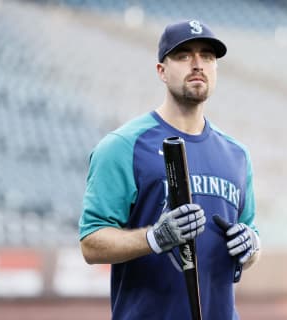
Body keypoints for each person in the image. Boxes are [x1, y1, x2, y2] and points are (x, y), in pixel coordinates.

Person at [79, 20, 261, 320]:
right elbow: (91, 243)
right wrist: (155, 238)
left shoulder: (237, 155)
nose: (198, 64)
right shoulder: (123, 146)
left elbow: (251, 237)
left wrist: (251, 245)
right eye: (183, 55)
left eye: (208, 56)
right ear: (161, 71)